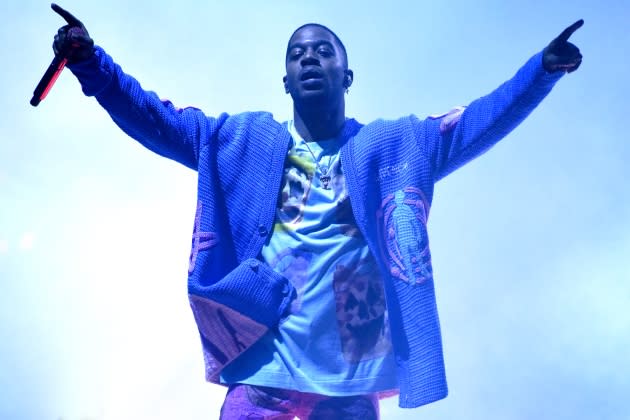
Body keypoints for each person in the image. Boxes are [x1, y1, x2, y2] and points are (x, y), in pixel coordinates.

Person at [47, 3, 583, 419]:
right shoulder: (242, 141)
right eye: (297, 53)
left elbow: (470, 125)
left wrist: (541, 72)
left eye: (324, 51)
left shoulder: (391, 148)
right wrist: (90, 63)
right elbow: (155, 118)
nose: (309, 58)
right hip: (264, 369)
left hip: (350, 380)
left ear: (348, 76)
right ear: (284, 81)